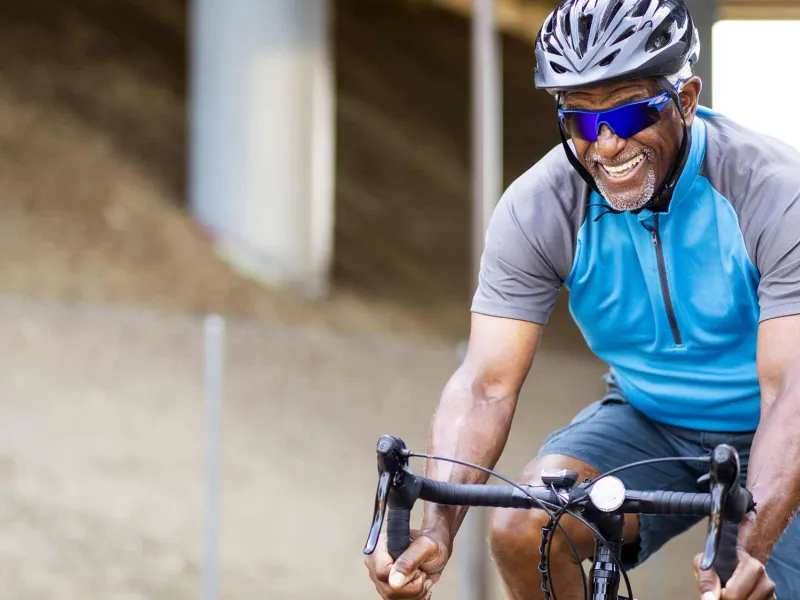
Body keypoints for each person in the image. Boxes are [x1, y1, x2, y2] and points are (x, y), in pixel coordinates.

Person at [364, 1, 800, 598]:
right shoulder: (540, 207)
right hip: (651, 419)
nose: (608, 145)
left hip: (780, 426)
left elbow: (790, 390)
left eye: (631, 113)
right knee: (526, 528)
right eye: (583, 122)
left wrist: (747, 547)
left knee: (751, 585)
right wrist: (437, 526)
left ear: (687, 98)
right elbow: (485, 384)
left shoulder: (772, 190)